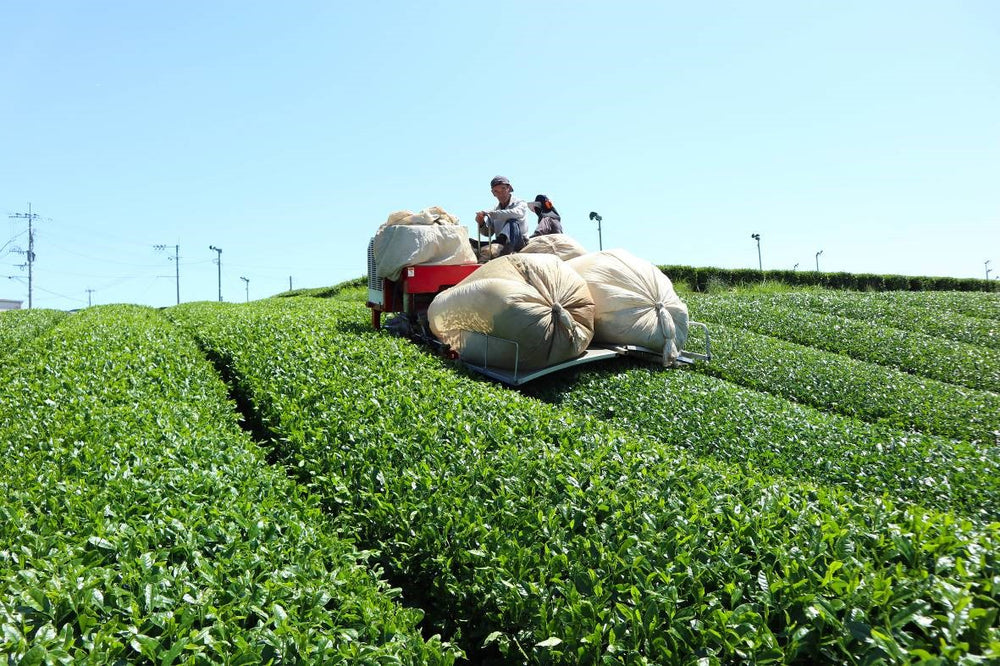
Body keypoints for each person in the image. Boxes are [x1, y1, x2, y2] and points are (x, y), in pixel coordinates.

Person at [475, 175, 529, 256]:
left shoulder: (520, 203)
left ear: (509, 188)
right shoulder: (494, 211)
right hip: (501, 245)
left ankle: (504, 248)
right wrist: (481, 222)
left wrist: (493, 214)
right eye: (496, 191)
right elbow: (488, 233)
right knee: (472, 243)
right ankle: (500, 243)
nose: (501, 194)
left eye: (503, 189)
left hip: (519, 243)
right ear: (493, 193)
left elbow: (516, 213)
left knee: (512, 222)